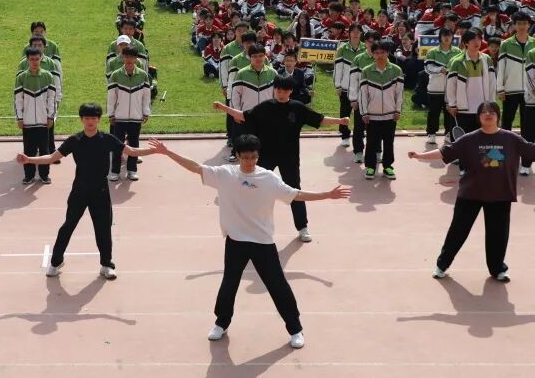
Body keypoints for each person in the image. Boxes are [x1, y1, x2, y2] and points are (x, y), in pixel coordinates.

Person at [150, 135, 349, 348]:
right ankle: (221, 323)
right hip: (236, 240)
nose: (249, 162)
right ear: (237, 156)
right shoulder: (225, 174)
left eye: (253, 157)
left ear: (258, 156)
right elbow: (196, 167)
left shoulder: (268, 178)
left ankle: (295, 329)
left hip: (262, 242)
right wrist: (167, 152)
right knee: (229, 284)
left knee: (277, 285)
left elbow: (295, 194)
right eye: (245, 158)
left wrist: (327, 195)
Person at [16, 103, 157, 280]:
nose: (90, 121)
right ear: (82, 119)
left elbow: (131, 151)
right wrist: (29, 159)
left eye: (94, 118)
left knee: (103, 229)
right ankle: (56, 262)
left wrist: (155, 150)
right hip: (79, 191)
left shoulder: (107, 139)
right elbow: (52, 157)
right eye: (87, 118)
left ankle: (106, 265)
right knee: (68, 226)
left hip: (101, 192)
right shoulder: (74, 140)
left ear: (99, 120)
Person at [409, 102, 535, 281]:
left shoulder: (511, 139)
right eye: (484, 112)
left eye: (492, 111)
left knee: (498, 235)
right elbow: (445, 152)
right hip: (471, 194)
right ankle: (441, 265)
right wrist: (419, 156)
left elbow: (531, 150)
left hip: (500, 194)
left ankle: (498, 269)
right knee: (458, 231)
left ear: (498, 115)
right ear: (479, 117)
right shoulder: (470, 139)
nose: (488, 114)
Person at [215, 76, 348, 242]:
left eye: (284, 90)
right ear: (274, 90)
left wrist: (340, 121)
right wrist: (223, 107)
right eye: (278, 89)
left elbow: (320, 119)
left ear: (290, 91)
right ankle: (246, 224)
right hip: (266, 156)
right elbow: (243, 116)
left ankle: (302, 227)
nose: (281, 93)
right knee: (254, 187)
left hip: (289, 157)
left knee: (294, 190)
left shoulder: (297, 108)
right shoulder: (265, 107)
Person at [359, 40, 404, 180]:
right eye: (376, 53)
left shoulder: (396, 70)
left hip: (390, 115)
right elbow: (363, 95)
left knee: (389, 142)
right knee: (371, 142)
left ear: (388, 53)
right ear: (372, 54)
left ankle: (388, 166)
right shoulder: (366, 71)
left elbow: (399, 94)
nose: (379, 55)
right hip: (372, 116)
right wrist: (364, 112)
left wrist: (398, 110)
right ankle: (370, 167)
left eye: (382, 52)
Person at [107, 46, 151, 182]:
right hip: (119, 117)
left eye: (132, 57)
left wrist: (146, 112)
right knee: (117, 144)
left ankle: (132, 170)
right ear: (122, 57)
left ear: (136, 58)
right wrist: (111, 114)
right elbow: (111, 97)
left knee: (134, 144)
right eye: (126, 57)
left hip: (136, 117)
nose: (129, 59)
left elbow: (146, 96)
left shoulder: (143, 75)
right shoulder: (115, 75)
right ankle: (115, 171)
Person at [15, 47, 57, 185]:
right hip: (27, 122)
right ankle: (29, 176)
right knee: (28, 150)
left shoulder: (48, 76)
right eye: (32, 59)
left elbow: (52, 98)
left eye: (37, 59)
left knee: (45, 150)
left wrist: (50, 116)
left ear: (41, 59)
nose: (34, 62)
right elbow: (18, 99)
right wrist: (20, 118)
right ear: (27, 60)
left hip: (43, 121)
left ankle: (44, 175)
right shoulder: (21, 77)